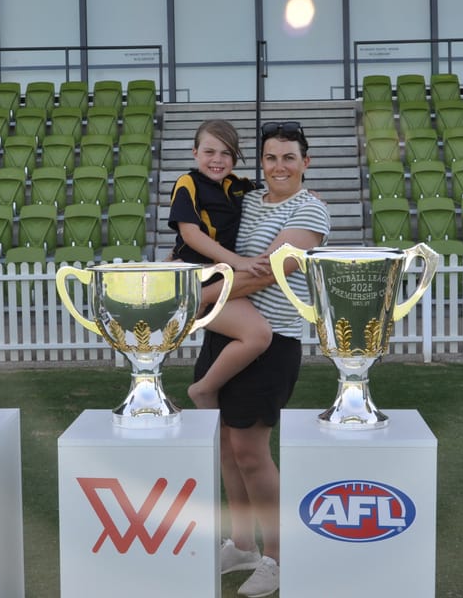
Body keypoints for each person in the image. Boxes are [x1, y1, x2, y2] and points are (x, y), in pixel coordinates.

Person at [195, 120, 330, 598]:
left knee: (252, 452)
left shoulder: (311, 213)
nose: (279, 166)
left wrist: (195, 298)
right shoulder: (248, 200)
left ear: (305, 162)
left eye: (289, 157)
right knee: (229, 447)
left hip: (272, 343)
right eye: (271, 157)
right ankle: (242, 544)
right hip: (226, 330)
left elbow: (267, 275)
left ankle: (276, 557)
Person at [167, 119, 273, 409]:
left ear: (235, 157)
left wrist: (305, 196)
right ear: (195, 153)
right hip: (199, 278)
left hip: (225, 277)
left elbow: (278, 195)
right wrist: (239, 262)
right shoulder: (187, 183)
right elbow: (190, 234)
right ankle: (203, 390)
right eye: (209, 152)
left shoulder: (241, 186)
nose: (217, 160)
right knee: (258, 335)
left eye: (226, 153)